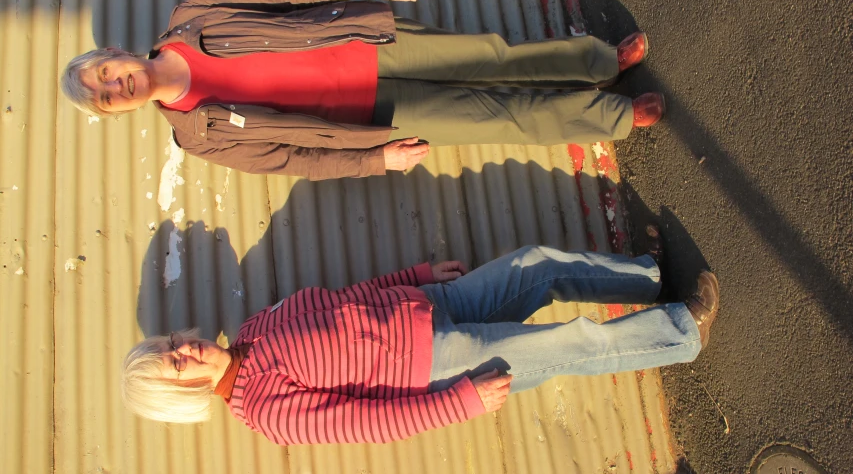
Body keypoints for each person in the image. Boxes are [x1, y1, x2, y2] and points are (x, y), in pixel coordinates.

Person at [122, 245, 719, 445]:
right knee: (574, 343)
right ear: (186, 396)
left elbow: (341, 298)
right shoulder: (265, 410)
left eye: (174, 344)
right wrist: (460, 402)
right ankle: (683, 330)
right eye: (178, 364)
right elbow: (368, 423)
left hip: (433, 306)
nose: (188, 349)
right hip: (439, 363)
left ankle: (647, 278)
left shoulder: (251, 331)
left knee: (534, 267)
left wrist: (416, 276)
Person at [61, 0, 666, 181]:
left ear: (114, 55)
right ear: (120, 110)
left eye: (106, 74)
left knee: (491, 54)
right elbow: (290, 160)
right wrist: (377, 157)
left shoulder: (195, 13)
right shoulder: (197, 133)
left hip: (364, 41)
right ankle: (612, 116)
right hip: (372, 112)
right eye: (108, 95)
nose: (116, 85)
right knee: (495, 118)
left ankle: (599, 59)